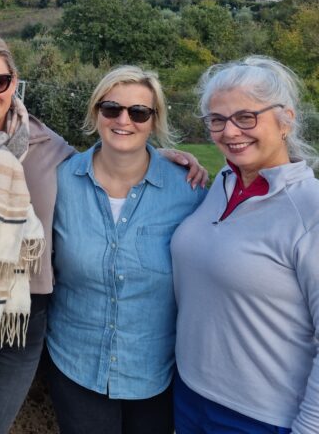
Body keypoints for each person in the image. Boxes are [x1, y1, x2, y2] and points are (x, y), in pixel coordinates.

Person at [0, 33, 207, 434]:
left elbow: (112, 160)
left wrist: (156, 157)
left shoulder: (49, 147)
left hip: (18, 320)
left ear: (14, 82)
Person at [45, 66, 205, 434]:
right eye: (111, 108)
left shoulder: (189, 192)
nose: (123, 120)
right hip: (75, 364)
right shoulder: (60, 181)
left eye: (138, 112)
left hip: (155, 373)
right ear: (96, 113)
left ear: (154, 120)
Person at [171, 56, 319, 433]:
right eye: (217, 120)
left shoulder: (309, 208)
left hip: (261, 418)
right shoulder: (223, 182)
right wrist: (152, 158)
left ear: (285, 120)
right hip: (189, 396)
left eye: (246, 117)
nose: (230, 131)